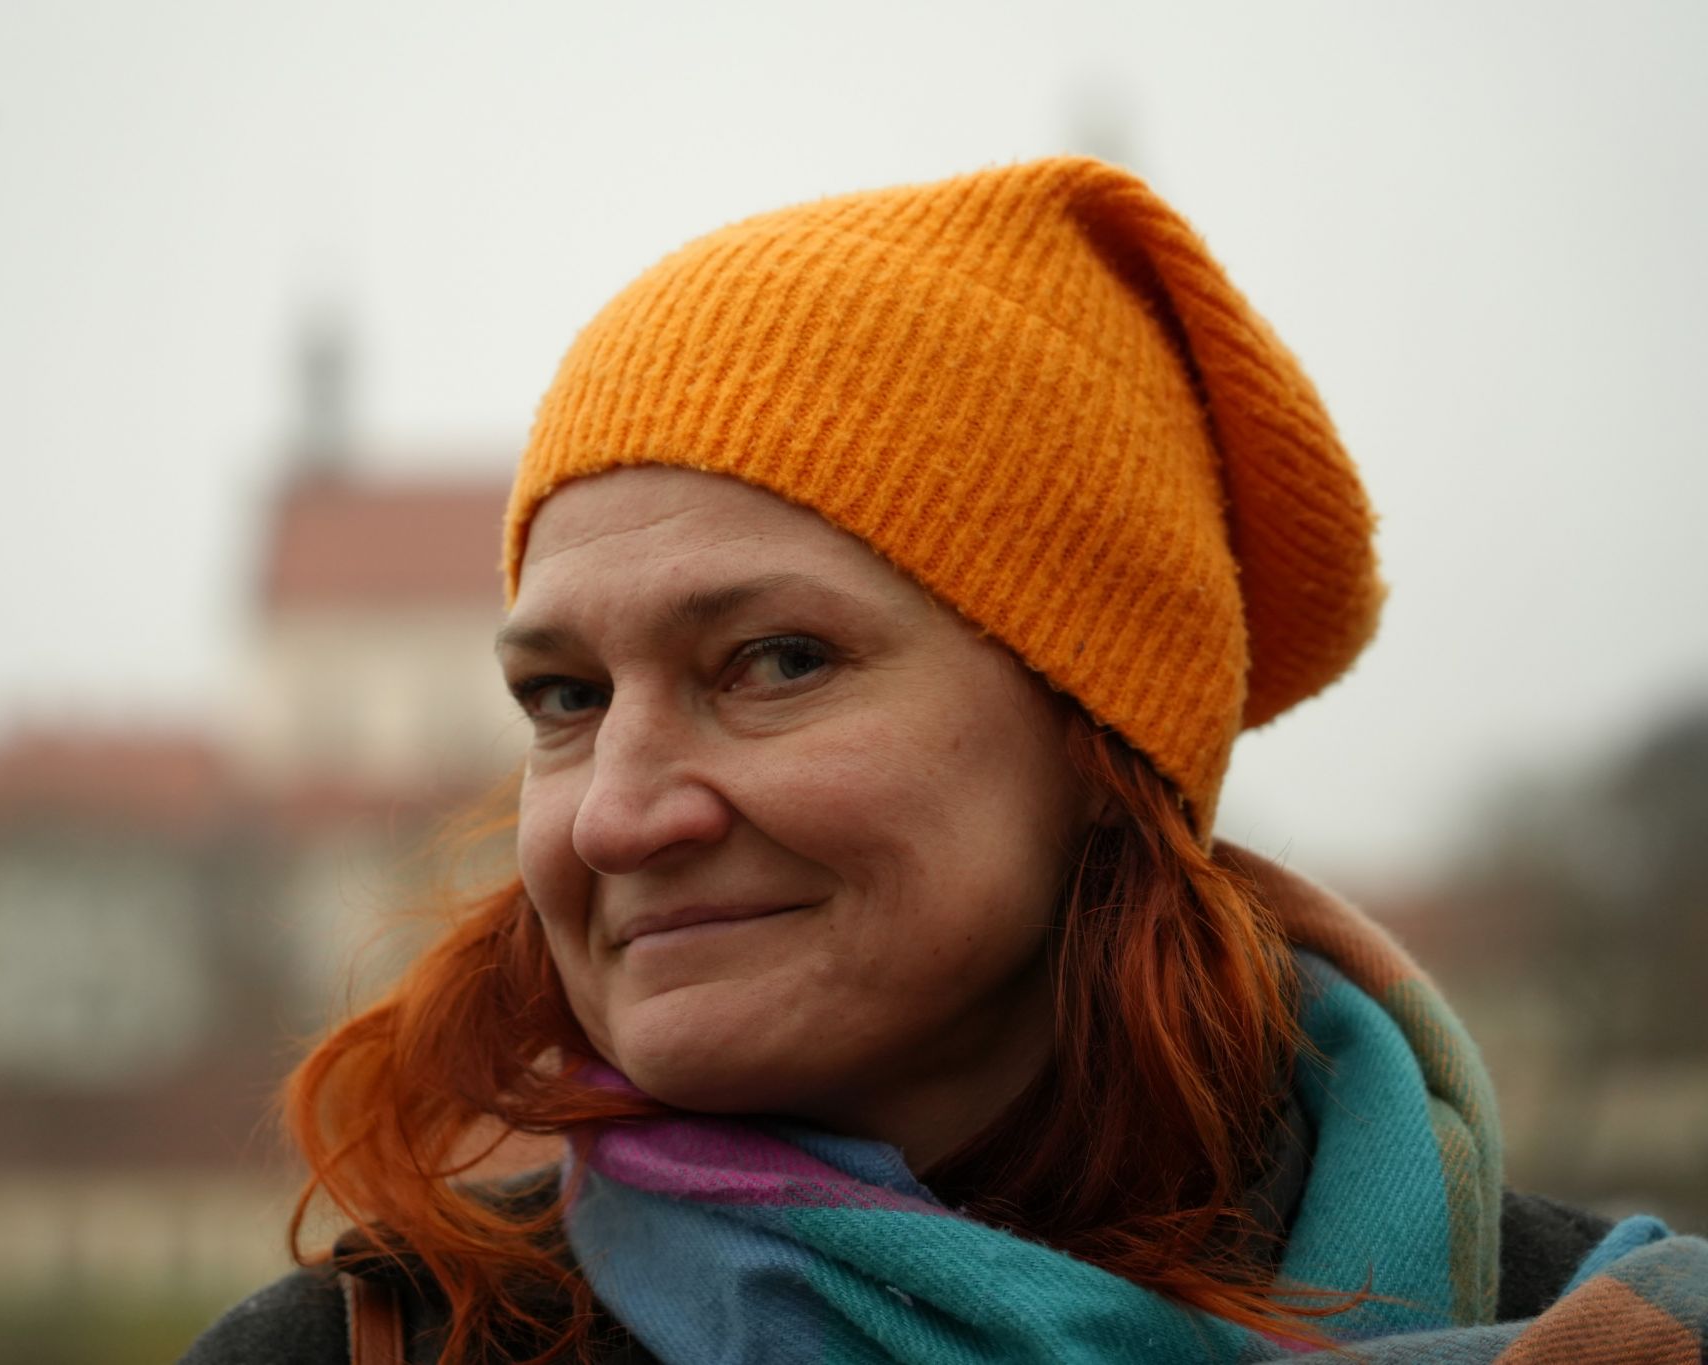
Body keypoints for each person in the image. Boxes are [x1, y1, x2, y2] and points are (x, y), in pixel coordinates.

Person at [182, 158, 1706, 1364]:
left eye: (776, 661)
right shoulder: (364, 1347)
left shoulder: (1607, 1325)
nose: (619, 815)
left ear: (1099, 735)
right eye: (565, 696)